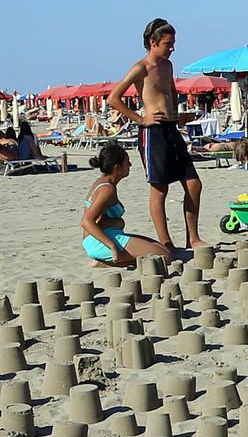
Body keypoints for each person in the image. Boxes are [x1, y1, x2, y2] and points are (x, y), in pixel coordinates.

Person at [107, 18, 204, 250]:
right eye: (168, 44)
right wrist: (141, 119)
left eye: (173, 43)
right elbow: (113, 98)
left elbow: (170, 92)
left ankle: (193, 238)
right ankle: (166, 242)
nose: (172, 48)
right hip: (153, 132)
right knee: (160, 188)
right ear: (153, 42)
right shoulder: (141, 68)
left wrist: (178, 114)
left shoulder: (168, 66)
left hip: (171, 129)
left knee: (194, 184)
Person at [81, 143, 171, 266]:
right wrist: (112, 246)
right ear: (117, 167)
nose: (130, 165)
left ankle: (110, 259)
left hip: (110, 235)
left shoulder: (105, 183)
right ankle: (104, 262)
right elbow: (86, 221)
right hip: (100, 242)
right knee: (163, 257)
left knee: (163, 249)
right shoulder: (106, 190)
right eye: (127, 162)